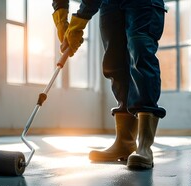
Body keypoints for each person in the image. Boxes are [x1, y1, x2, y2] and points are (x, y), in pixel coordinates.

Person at [52, 0, 167, 169]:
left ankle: (144, 147)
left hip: (143, 3)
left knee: (140, 51)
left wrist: (80, 20)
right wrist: (61, 20)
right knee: (114, 62)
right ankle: (125, 142)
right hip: (110, 3)